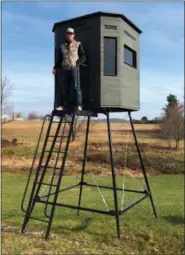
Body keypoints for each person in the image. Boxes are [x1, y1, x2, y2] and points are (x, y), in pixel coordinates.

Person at [52, 27, 86, 111]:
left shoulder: (78, 44)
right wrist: (55, 68)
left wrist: (77, 63)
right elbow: (60, 59)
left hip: (74, 68)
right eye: (68, 34)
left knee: (76, 87)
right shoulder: (62, 46)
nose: (69, 35)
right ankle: (63, 106)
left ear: (73, 35)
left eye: (71, 34)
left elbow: (83, 56)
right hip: (65, 69)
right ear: (66, 35)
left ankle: (79, 105)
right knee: (65, 88)